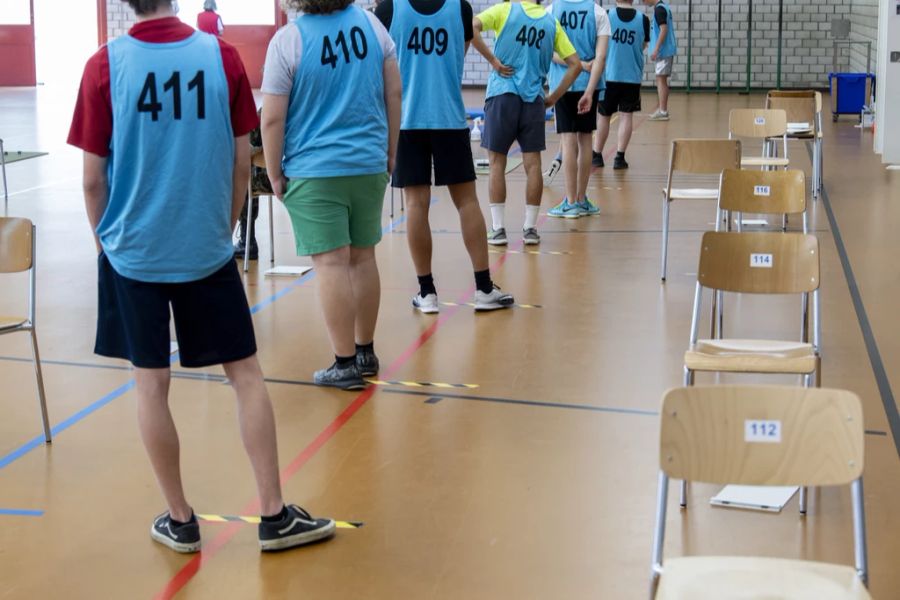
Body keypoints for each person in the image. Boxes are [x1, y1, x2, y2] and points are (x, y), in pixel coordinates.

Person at [67, 0, 334, 554]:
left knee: (151, 383)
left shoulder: (103, 66)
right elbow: (244, 160)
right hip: (205, 247)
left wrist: (106, 248)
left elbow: (92, 181)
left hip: (133, 253)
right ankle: (274, 515)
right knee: (246, 375)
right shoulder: (221, 56)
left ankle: (180, 519)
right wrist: (226, 225)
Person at [261, 0, 401, 390]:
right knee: (362, 258)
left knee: (332, 265)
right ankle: (365, 350)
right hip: (368, 162)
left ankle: (343, 363)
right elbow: (394, 93)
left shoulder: (289, 41)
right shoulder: (373, 27)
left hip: (315, 168)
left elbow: (272, 117)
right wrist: (390, 151)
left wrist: (274, 172)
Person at [374, 0, 515, 313]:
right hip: (448, 116)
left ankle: (427, 293)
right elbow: (458, 53)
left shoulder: (388, 10)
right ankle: (483, 288)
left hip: (407, 119)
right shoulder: (461, 8)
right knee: (467, 202)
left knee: (415, 204)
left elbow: (379, 63)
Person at [472, 0, 582, 246]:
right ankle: (530, 229)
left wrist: (493, 61)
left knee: (497, 163)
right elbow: (575, 64)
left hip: (502, 96)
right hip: (534, 100)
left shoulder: (505, 10)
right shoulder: (550, 22)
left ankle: (498, 229)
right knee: (533, 166)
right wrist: (553, 97)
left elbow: (471, 27)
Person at [546, 0, 609, 218]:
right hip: (587, 84)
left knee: (568, 141)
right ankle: (581, 199)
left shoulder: (552, 10)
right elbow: (600, 58)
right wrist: (590, 91)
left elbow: (549, 52)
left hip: (562, 83)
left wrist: (575, 63)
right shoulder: (599, 13)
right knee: (585, 140)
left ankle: (570, 201)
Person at [591, 0, 648, 170]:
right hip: (631, 76)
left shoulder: (607, 15)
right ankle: (619, 158)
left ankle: (597, 155)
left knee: (604, 115)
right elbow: (643, 44)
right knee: (626, 116)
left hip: (609, 75)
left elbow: (599, 43)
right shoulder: (643, 19)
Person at [647, 0, 676, 121]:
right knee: (660, 79)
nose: (643, 2)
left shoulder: (660, 9)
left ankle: (663, 111)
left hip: (663, 52)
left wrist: (656, 49)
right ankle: (662, 109)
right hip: (664, 51)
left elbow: (663, 29)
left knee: (661, 80)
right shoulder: (663, 7)